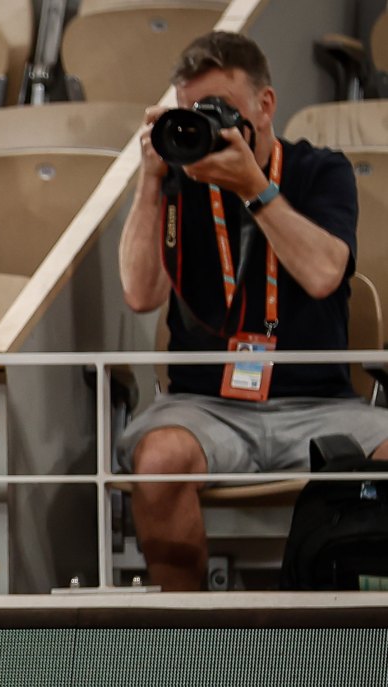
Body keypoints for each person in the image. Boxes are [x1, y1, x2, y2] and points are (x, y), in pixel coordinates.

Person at [118, 31, 388, 591]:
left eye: (223, 111)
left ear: (265, 106)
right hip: (204, 407)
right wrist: (150, 180)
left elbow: (323, 275)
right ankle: (185, 650)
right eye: (195, 113)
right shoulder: (177, 179)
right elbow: (140, 293)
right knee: (159, 458)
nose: (209, 125)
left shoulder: (320, 171)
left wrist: (255, 189)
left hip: (319, 404)